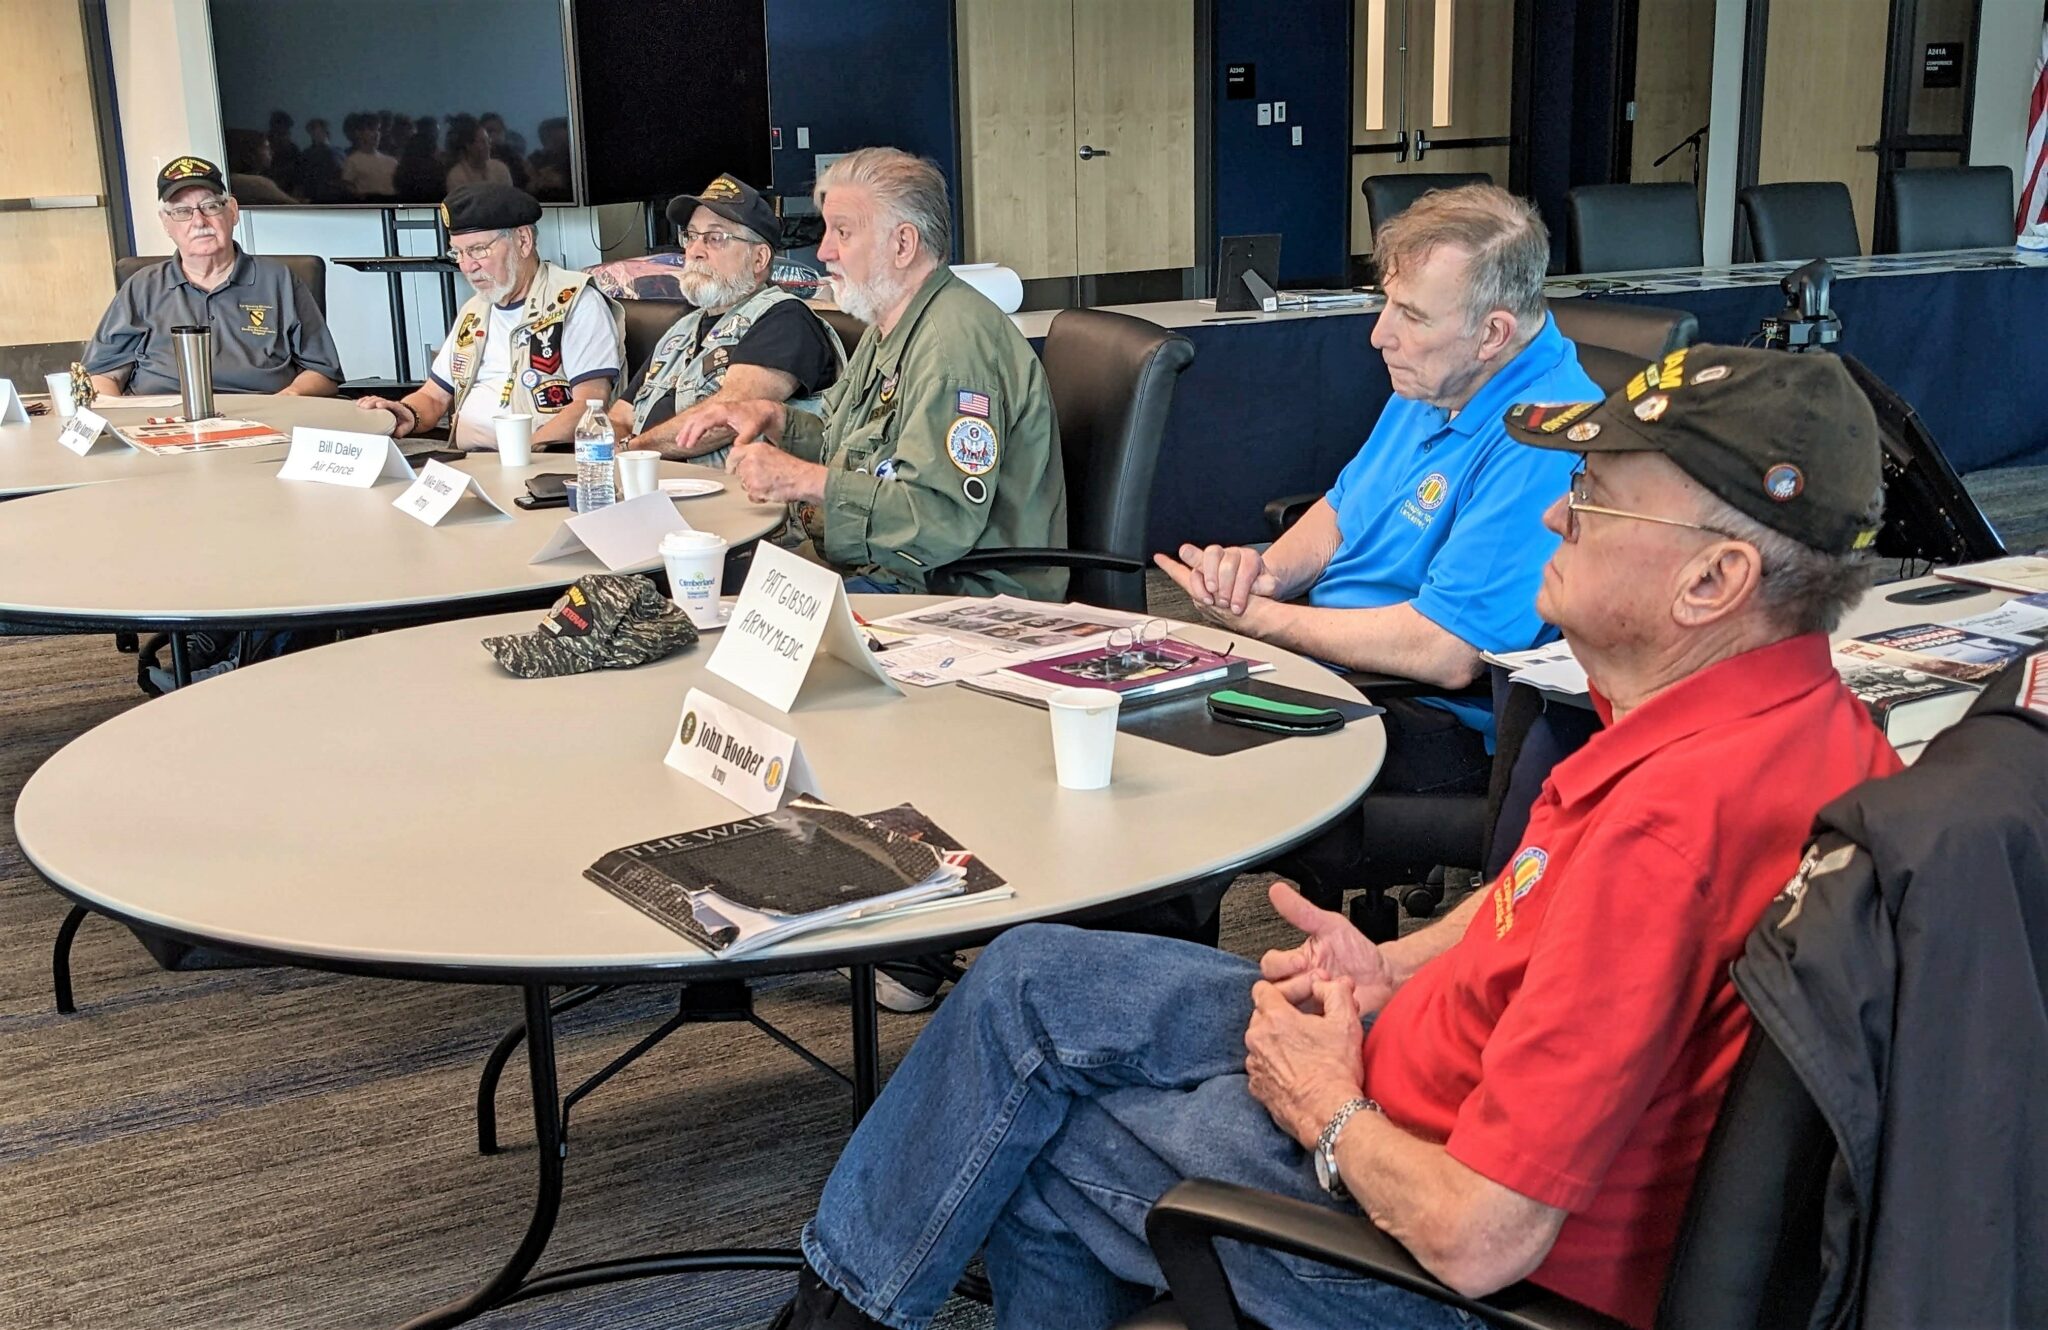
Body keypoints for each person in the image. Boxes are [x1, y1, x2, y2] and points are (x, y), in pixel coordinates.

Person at [764, 346, 1902, 1330]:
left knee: (1033, 1145)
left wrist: (1326, 1106)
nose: (1554, 511)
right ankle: (835, 1305)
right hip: (1414, 1076)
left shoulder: (1668, 832)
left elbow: (1480, 1237)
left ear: (1713, 578)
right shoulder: (1797, 726)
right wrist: (1391, 966)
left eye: (1596, 497)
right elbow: (1536, 909)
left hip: (1433, 1248)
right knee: (1028, 977)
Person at [1156, 185, 1597, 806]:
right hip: (1338, 663)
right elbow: (1341, 509)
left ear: (1493, 333)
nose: (1379, 335)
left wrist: (1269, 622)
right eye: (1385, 303)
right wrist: (1263, 575)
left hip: (1423, 711)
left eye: (1411, 315)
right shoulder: (1438, 377)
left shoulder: (1543, 434)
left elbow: (1448, 653)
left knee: (1175, 783)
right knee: (1138, 713)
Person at [670, 147, 1066, 600]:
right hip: (888, 569)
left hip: (954, 593)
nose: (823, 251)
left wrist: (800, 479)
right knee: (710, 592)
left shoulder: (950, 348)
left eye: (843, 232)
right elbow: (861, 449)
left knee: (725, 616)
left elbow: (939, 521)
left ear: (902, 244)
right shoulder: (890, 324)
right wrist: (776, 419)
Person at [354, 183, 622, 450]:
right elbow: (434, 397)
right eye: (458, 253)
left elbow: (589, 406)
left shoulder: (575, 302)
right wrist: (406, 412)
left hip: (539, 463)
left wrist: (521, 452)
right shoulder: (476, 309)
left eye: (478, 249)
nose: (468, 266)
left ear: (523, 240)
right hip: (469, 461)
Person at [609, 174, 843, 469]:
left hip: (736, 500)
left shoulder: (785, 319)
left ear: (759, 259)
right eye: (691, 236)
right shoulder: (682, 328)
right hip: (651, 487)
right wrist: (618, 459)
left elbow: (729, 416)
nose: (694, 250)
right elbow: (619, 416)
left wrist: (634, 449)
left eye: (715, 238)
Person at [84, 154, 343, 398]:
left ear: (232, 211)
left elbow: (323, 372)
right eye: (182, 211)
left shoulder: (280, 281)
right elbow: (102, 375)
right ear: (166, 223)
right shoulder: (141, 287)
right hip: (161, 424)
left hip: (262, 420)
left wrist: (289, 398)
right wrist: (125, 424)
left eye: (210, 206)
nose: (199, 221)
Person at [444, 116, 511, 191]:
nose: (488, 146)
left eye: (488, 141)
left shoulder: (500, 169)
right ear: (468, 146)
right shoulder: (456, 176)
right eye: (483, 142)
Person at [340, 113, 397, 199]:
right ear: (359, 133)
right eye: (371, 130)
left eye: (378, 130)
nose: (376, 134)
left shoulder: (392, 162)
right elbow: (348, 187)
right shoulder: (352, 161)